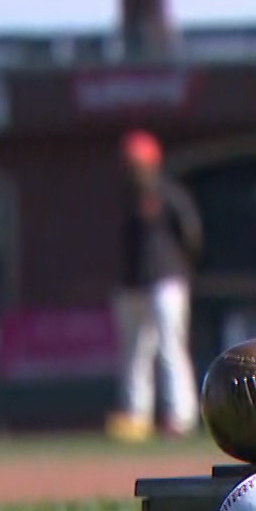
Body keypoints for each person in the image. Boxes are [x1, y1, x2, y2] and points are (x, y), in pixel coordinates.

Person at [106, 130, 205, 442]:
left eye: (137, 163)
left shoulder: (168, 194)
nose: (133, 169)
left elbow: (191, 234)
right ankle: (137, 416)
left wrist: (181, 268)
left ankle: (181, 415)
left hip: (167, 281)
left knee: (170, 348)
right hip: (132, 284)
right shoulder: (125, 197)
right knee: (135, 353)